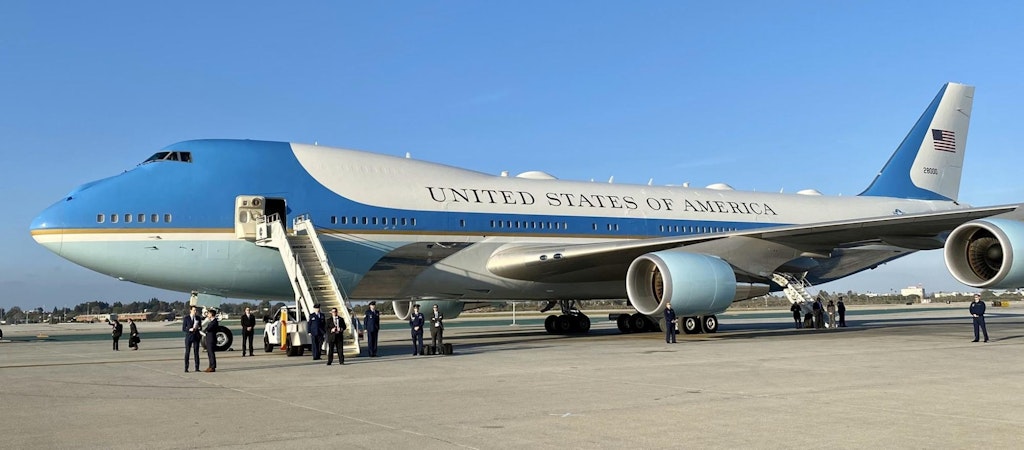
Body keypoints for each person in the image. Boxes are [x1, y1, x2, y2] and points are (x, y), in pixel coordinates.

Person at [182, 306, 201, 372]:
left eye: (196, 310)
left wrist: (198, 327)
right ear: (190, 311)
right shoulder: (186, 318)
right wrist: (189, 329)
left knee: (196, 353)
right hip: (189, 337)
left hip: (196, 336)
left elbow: (200, 327)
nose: (195, 312)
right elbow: (183, 328)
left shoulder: (198, 318)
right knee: (187, 352)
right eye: (194, 310)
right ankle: (186, 368)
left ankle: (197, 367)